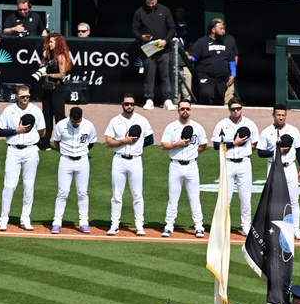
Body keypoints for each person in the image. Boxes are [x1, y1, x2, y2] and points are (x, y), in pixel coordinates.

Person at [105, 94, 154, 236]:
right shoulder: (115, 121)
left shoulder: (142, 120)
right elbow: (109, 142)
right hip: (119, 160)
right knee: (116, 195)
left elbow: (150, 139)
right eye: (126, 104)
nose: (129, 106)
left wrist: (137, 146)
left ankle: (139, 225)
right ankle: (114, 225)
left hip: (136, 161)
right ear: (122, 104)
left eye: (132, 104)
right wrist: (124, 141)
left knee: (137, 195)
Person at [0, 85, 45, 231]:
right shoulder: (9, 110)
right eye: (22, 96)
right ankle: (3, 219)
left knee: (28, 185)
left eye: (28, 96)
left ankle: (25, 218)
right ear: (16, 96)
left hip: (30, 150)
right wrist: (16, 131)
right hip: (13, 150)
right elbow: (0, 131)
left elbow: (42, 131)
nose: (25, 99)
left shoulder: (36, 110)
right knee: (9, 185)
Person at [160, 99, 208, 238]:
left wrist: (193, 153)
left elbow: (204, 145)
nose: (185, 111)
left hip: (192, 165)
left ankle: (199, 227)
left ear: (190, 110)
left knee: (195, 198)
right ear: (178, 110)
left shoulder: (197, 127)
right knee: (173, 198)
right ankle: (169, 226)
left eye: (187, 108)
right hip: (175, 165)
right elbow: (163, 146)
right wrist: (178, 144)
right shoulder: (171, 127)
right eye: (182, 109)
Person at [256, 103, 300, 238]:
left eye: (283, 115)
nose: (281, 118)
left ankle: (296, 229)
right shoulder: (266, 132)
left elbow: (299, 150)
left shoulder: (293, 130)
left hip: (290, 168)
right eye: (278, 115)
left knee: (294, 200)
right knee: (274, 200)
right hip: (274, 168)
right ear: (273, 115)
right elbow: (260, 152)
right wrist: (276, 152)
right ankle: (274, 228)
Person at [211, 98, 257, 235]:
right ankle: (224, 226)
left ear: (241, 108)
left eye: (238, 108)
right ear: (229, 109)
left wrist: (244, 152)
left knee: (245, 198)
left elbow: (254, 144)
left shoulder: (250, 124)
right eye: (233, 109)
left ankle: (246, 226)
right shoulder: (221, 125)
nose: (236, 111)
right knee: (226, 197)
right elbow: (215, 146)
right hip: (228, 163)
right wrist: (234, 143)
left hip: (244, 163)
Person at [50, 106, 96, 234]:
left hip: (82, 161)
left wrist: (82, 151)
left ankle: (84, 222)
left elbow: (91, 142)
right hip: (65, 160)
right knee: (62, 192)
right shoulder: (61, 125)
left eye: (78, 121)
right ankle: (57, 222)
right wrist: (66, 153)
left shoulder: (88, 126)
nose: (76, 123)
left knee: (82, 192)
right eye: (73, 121)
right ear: (70, 117)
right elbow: (56, 142)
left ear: (81, 117)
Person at [132, 0, 176, 111]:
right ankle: (149, 99)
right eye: (148, 2)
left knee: (165, 75)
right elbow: (135, 30)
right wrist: (141, 37)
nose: (151, 5)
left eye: (153, 2)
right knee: (149, 75)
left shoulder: (165, 10)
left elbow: (172, 29)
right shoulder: (139, 12)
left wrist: (165, 40)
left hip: (163, 49)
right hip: (148, 50)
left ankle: (167, 100)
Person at [190, 18, 236, 106]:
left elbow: (232, 61)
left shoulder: (227, 43)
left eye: (224, 29)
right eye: (221, 29)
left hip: (222, 79)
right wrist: (189, 57)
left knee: (219, 100)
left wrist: (233, 75)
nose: (223, 31)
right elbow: (194, 57)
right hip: (206, 77)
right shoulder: (201, 42)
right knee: (207, 95)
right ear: (213, 30)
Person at [37, 33, 72, 150]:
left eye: (51, 42)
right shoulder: (48, 56)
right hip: (47, 88)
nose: (49, 44)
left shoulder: (61, 56)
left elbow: (62, 75)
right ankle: (44, 143)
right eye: (49, 42)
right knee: (46, 115)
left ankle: (65, 142)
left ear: (58, 43)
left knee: (59, 116)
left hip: (57, 89)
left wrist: (48, 74)